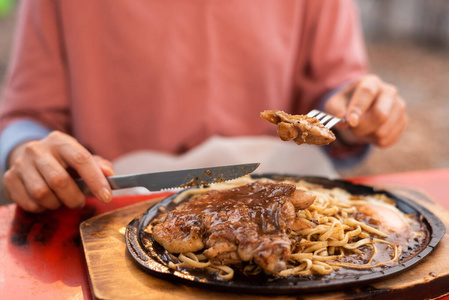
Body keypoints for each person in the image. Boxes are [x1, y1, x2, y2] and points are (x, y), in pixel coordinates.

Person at [0, 0, 407, 213]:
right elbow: (27, 117)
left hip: (282, 196)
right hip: (116, 209)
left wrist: (354, 115)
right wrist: (31, 154)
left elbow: (334, 95)